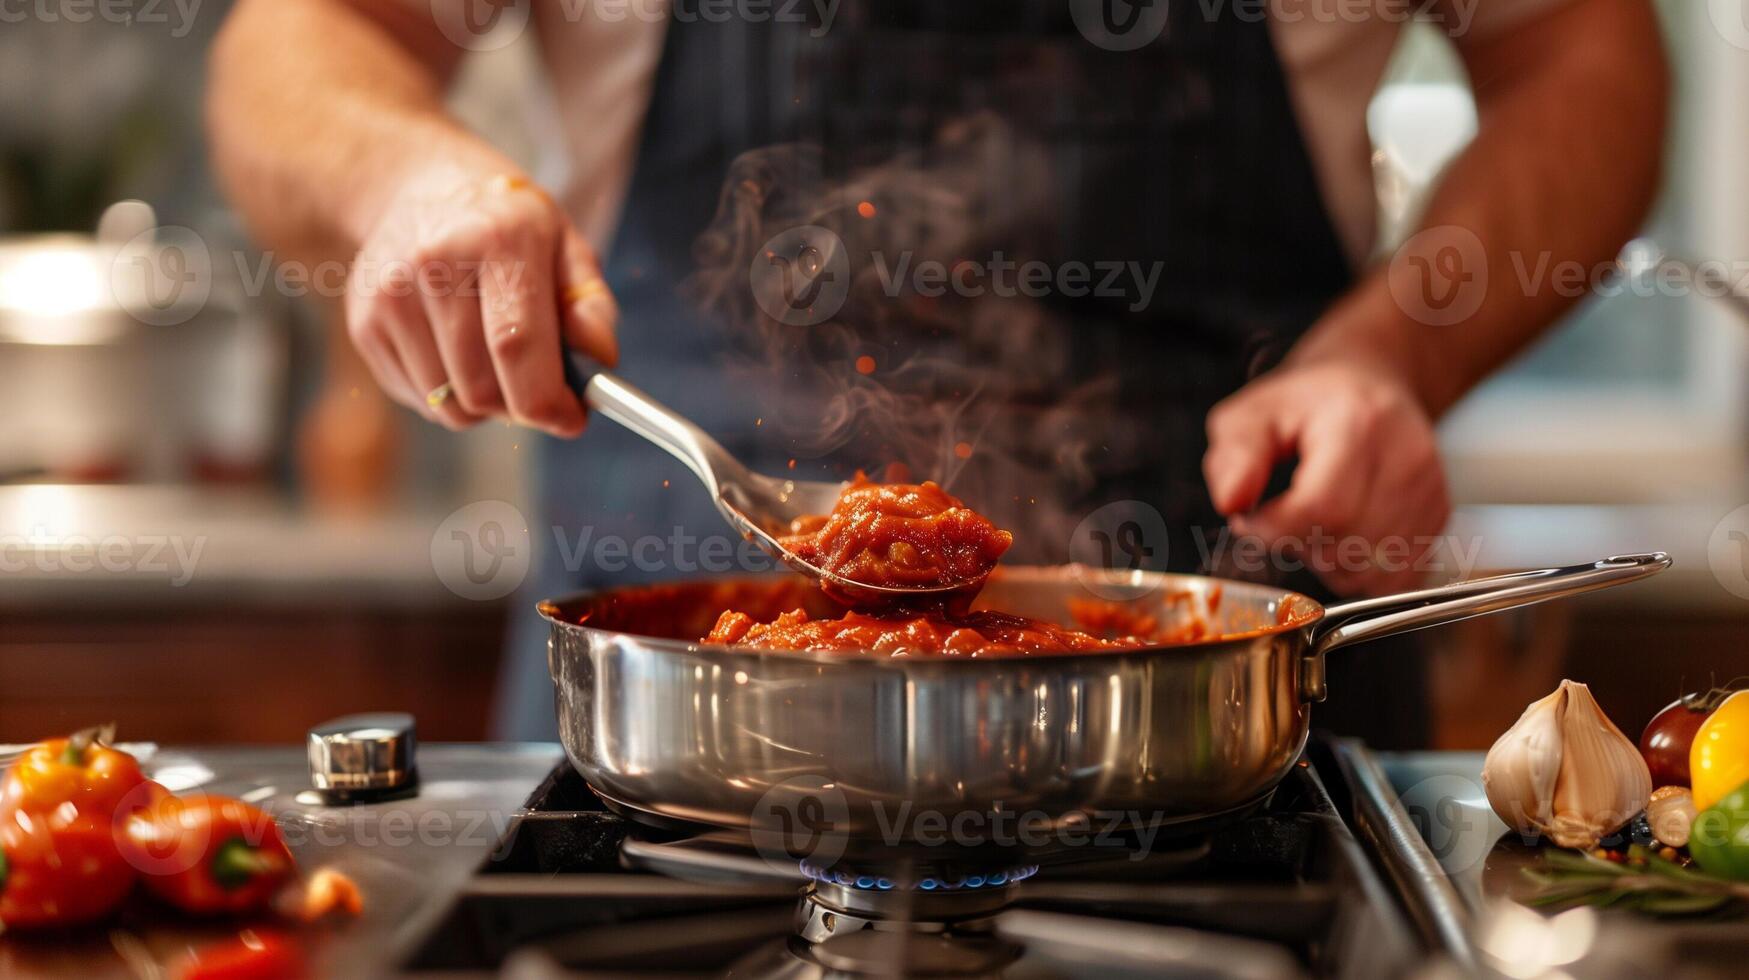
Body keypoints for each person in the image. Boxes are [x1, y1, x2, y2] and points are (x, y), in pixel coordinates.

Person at [207, 0, 1667, 745]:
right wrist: (400, 179)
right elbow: (303, 38)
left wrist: (1393, 351)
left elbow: (1581, 48)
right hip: (676, 734)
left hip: (1228, 723)